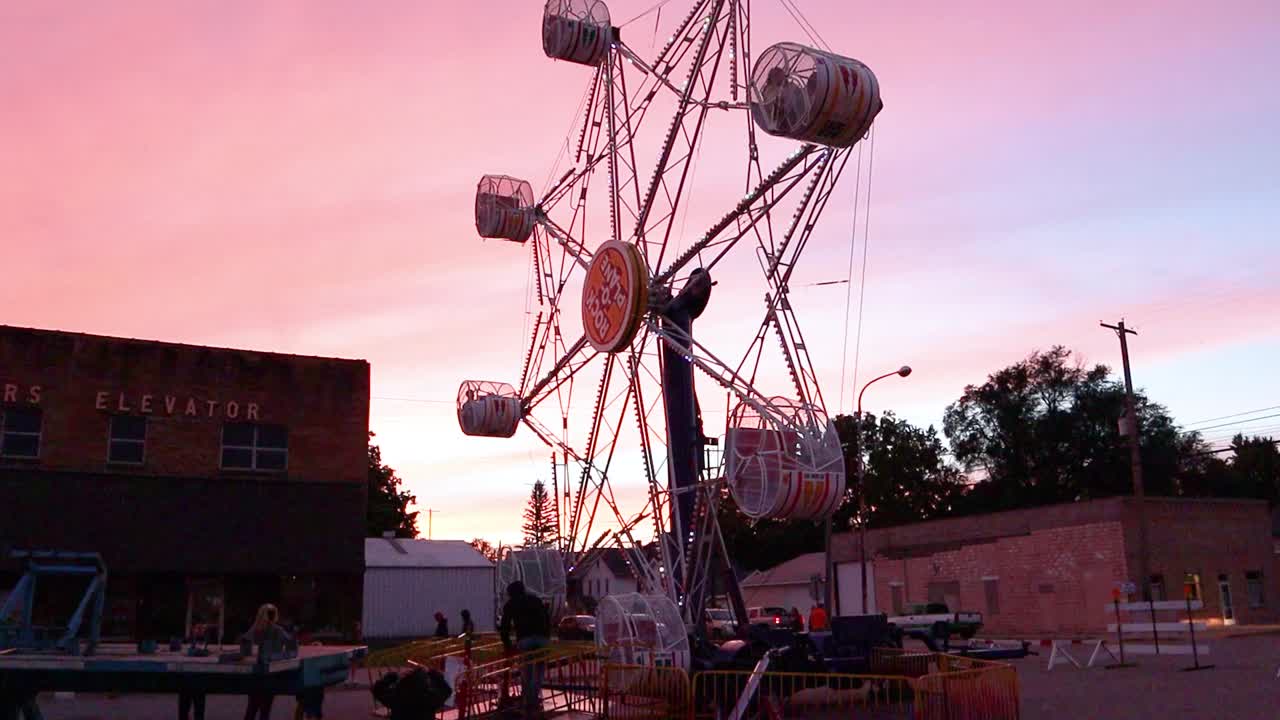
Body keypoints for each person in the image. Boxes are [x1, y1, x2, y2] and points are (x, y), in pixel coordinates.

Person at [500, 581, 551, 718]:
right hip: (542, 637)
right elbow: (546, 617)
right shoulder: (535, 600)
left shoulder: (511, 604)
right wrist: (548, 636)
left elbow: (504, 626)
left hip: (524, 638)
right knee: (539, 671)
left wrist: (507, 644)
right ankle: (534, 699)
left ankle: (528, 701)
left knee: (526, 671)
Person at [242, 603, 291, 720]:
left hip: (257, 673)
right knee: (265, 710)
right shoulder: (278, 630)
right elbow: (290, 644)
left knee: (252, 708)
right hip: (271, 673)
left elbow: (244, 643)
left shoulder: (255, 629)